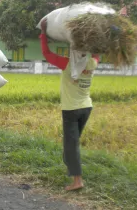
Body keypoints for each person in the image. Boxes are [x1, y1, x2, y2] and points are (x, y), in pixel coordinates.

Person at [39, 18, 100, 191]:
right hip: (86, 107)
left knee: (71, 144)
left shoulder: (67, 63)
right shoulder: (91, 63)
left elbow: (47, 54)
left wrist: (43, 33)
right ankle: (70, 164)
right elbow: (97, 53)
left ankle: (77, 181)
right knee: (72, 142)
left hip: (71, 110)